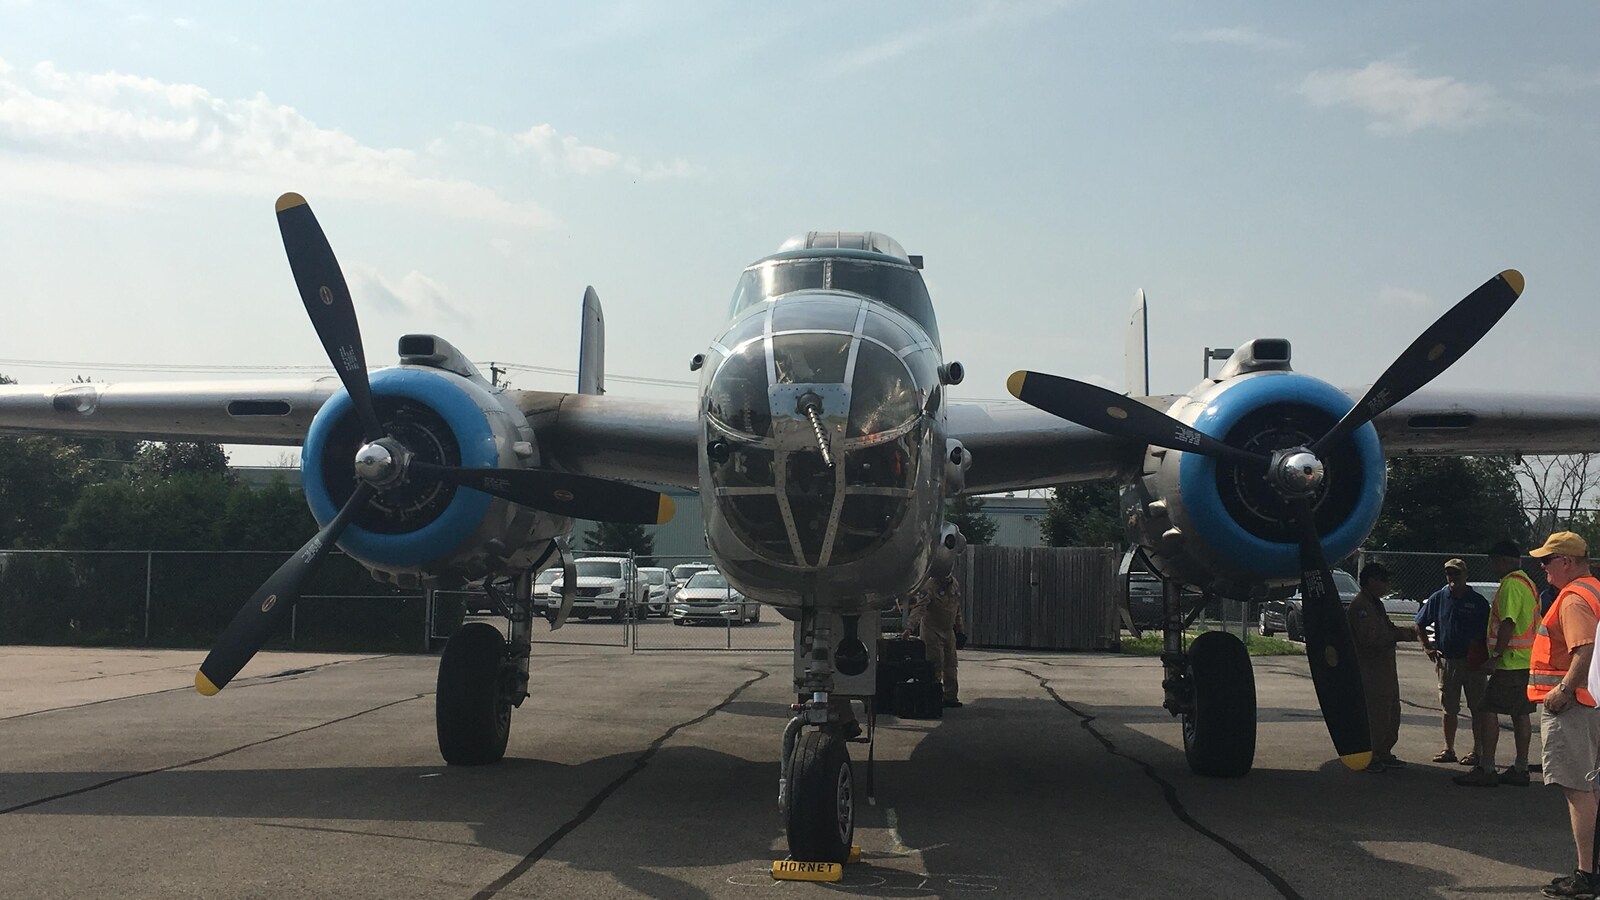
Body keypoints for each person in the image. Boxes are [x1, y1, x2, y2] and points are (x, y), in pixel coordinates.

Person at [1526, 532, 1600, 898]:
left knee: (1579, 789)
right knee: (1590, 789)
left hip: (1574, 706)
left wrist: (1562, 692)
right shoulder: (1594, 590)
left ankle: (1586, 875)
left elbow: (1582, 652)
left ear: (1566, 562)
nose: (1543, 568)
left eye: (1547, 561)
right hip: (1592, 704)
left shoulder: (1573, 599)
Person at [1455, 540, 1539, 787]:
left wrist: (1495, 656)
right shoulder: (1528, 583)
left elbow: (1509, 622)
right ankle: (1521, 768)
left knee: (1487, 708)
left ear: (1504, 560)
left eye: (1494, 560)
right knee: (1521, 713)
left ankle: (1487, 767)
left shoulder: (1511, 584)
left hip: (1510, 662)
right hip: (1525, 660)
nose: (1493, 565)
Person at [1414, 558, 1490, 766]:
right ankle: (1449, 749)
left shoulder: (1478, 602)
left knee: (1478, 707)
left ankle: (1478, 750)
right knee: (1449, 708)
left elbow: (1490, 632)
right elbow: (1419, 624)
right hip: (1448, 661)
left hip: (1474, 663)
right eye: (1449, 573)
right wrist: (1427, 647)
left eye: (1456, 573)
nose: (1452, 577)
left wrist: (1488, 657)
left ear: (1466, 575)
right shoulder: (1439, 598)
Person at [1345, 563, 1417, 772]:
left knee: (1391, 712)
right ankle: (1371, 755)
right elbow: (1370, 638)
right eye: (1383, 580)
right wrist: (1396, 635)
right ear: (1371, 581)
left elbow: (1387, 627)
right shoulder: (1361, 607)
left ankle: (1384, 751)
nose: (1387, 584)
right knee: (1375, 714)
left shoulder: (1376, 604)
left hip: (1384, 670)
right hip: (1370, 670)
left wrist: (1410, 633)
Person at [909, 571, 963, 708]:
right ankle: (934, 696)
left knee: (951, 665)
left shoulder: (954, 584)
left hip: (948, 630)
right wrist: (910, 627)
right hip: (931, 630)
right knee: (935, 665)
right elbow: (919, 608)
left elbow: (957, 607)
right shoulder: (929, 587)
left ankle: (950, 696)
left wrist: (959, 627)